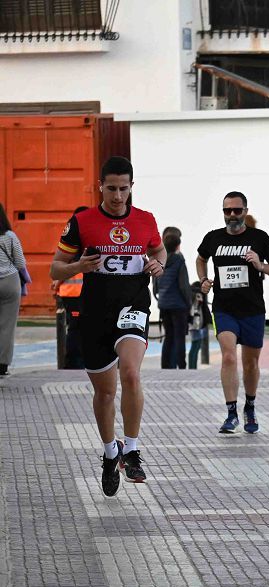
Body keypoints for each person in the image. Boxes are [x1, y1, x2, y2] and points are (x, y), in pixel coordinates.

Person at [48, 156, 166, 496]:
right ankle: (109, 451)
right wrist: (79, 265)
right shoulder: (82, 221)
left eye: (124, 189)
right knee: (105, 392)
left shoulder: (145, 220)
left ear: (132, 187)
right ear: (100, 186)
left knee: (130, 373)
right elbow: (56, 268)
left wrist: (158, 265)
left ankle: (131, 448)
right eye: (111, 188)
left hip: (133, 305)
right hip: (95, 312)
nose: (117, 196)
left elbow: (160, 253)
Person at [196, 191, 269, 434]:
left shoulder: (259, 238)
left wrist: (260, 265)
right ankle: (231, 412)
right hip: (224, 309)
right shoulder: (213, 238)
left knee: (250, 363)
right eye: (227, 211)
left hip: (253, 309)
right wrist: (203, 279)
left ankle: (250, 406)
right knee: (228, 357)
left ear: (245, 211)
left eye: (237, 210)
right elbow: (200, 258)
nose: (232, 215)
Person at [53, 206, 90, 369]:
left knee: (74, 328)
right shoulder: (87, 237)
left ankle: (73, 363)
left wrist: (57, 284)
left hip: (71, 293)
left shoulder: (74, 237)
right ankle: (77, 362)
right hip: (80, 293)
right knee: (80, 329)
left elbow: (65, 265)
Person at [153, 227, 191, 369]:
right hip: (179, 306)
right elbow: (184, 286)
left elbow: (155, 285)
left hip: (164, 304)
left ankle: (166, 365)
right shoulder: (179, 261)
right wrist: (188, 304)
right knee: (179, 337)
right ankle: (180, 365)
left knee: (168, 337)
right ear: (177, 245)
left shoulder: (159, 260)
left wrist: (159, 298)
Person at [0, 203, 27, 376]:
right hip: (10, 282)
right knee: (7, 325)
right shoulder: (9, 236)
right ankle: (2, 366)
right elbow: (20, 263)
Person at [187, 281, 212, 369]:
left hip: (193, 323)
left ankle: (192, 366)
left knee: (196, 345)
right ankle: (192, 367)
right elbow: (197, 309)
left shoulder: (190, 293)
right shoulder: (198, 295)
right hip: (196, 323)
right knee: (196, 345)